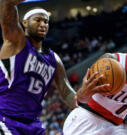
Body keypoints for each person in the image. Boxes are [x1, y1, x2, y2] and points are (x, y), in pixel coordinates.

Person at [0, 0, 109, 134]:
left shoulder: (54, 59)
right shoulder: (15, 42)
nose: (43, 24)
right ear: (25, 23)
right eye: (38, 20)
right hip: (5, 117)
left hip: (32, 124)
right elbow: (7, 5)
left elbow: (67, 92)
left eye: (46, 22)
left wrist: (87, 105)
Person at [63, 29, 127, 135]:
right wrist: (84, 92)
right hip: (87, 118)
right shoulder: (110, 60)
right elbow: (80, 98)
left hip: (114, 127)